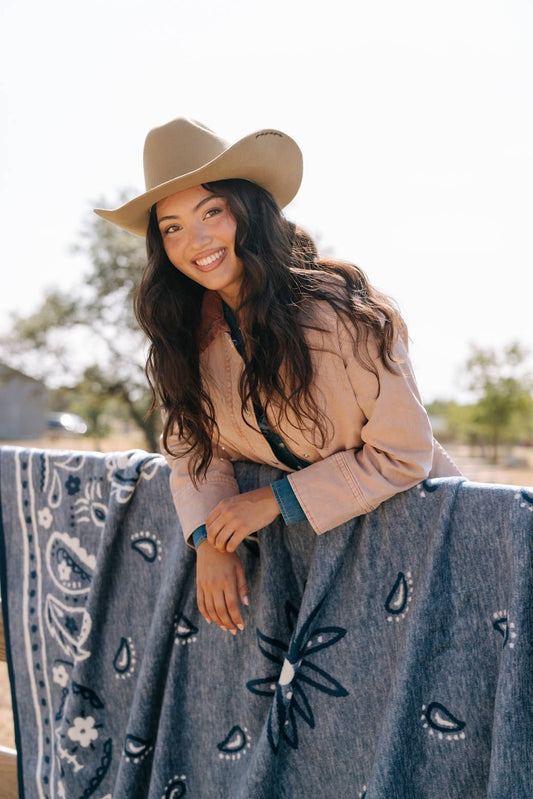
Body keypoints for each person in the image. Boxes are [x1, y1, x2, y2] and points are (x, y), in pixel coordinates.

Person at [95, 117, 460, 639]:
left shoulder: (345, 316)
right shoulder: (188, 338)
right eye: (172, 227)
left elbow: (404, 455)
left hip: (419, 536)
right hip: (313, 563)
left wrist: (272, 500)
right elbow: (193, 450)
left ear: (247, 210)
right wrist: (209, 540)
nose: (195, 241)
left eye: (211, 212)